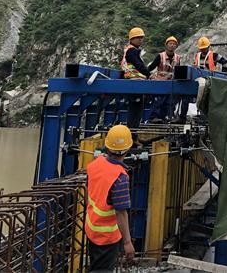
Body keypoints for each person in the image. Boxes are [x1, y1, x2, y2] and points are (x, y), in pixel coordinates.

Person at [85, 124, 136, 270]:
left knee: (95, 266)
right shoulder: (119, 177)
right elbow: (121, 212)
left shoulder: (95, 164)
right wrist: (127, 242)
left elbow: (91, 192)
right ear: (127, 149)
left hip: (92, 227)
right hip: (106, 236)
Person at [121, 27, 151, 127]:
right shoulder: (131, 51)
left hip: (136, 82)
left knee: (136, 109)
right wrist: (149, 74)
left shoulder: (133, 51)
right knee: (135, 110)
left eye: (141, 38)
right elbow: (139, 65)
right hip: (134, 82)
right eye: (137, 37)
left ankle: (133, 134)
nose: (140, 39)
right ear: (131, 39)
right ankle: (132, 135)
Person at [149, 36, 181, 120]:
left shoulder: (177, 58)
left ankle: (168, 117)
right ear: (166, 45)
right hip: (160, 83)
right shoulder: (160, 56)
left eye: (174, 44)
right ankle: (154, 117)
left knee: (170, 102)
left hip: (171, 83)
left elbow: (178, 71)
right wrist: (148, 75)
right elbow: (151, 67)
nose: (172, 45)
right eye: (170, 43)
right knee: (158, 101)